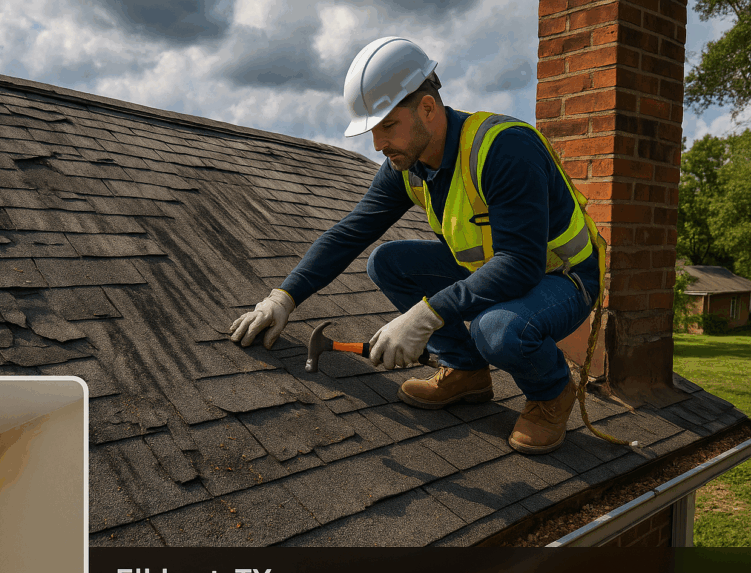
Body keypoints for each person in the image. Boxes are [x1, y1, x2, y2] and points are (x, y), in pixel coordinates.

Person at [229, 37, 605, 455]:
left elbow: (521, 264)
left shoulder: (504, 148)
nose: (378, 145)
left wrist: (424, 316)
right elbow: (350, 232)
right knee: (388, 262)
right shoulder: (408, 165)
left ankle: (551, 392)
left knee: (495, 329)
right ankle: (465, 370)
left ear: (428, 108)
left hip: (563, 277)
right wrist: (283, 297)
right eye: (373, 130)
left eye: (388, 126)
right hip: (501, 271)